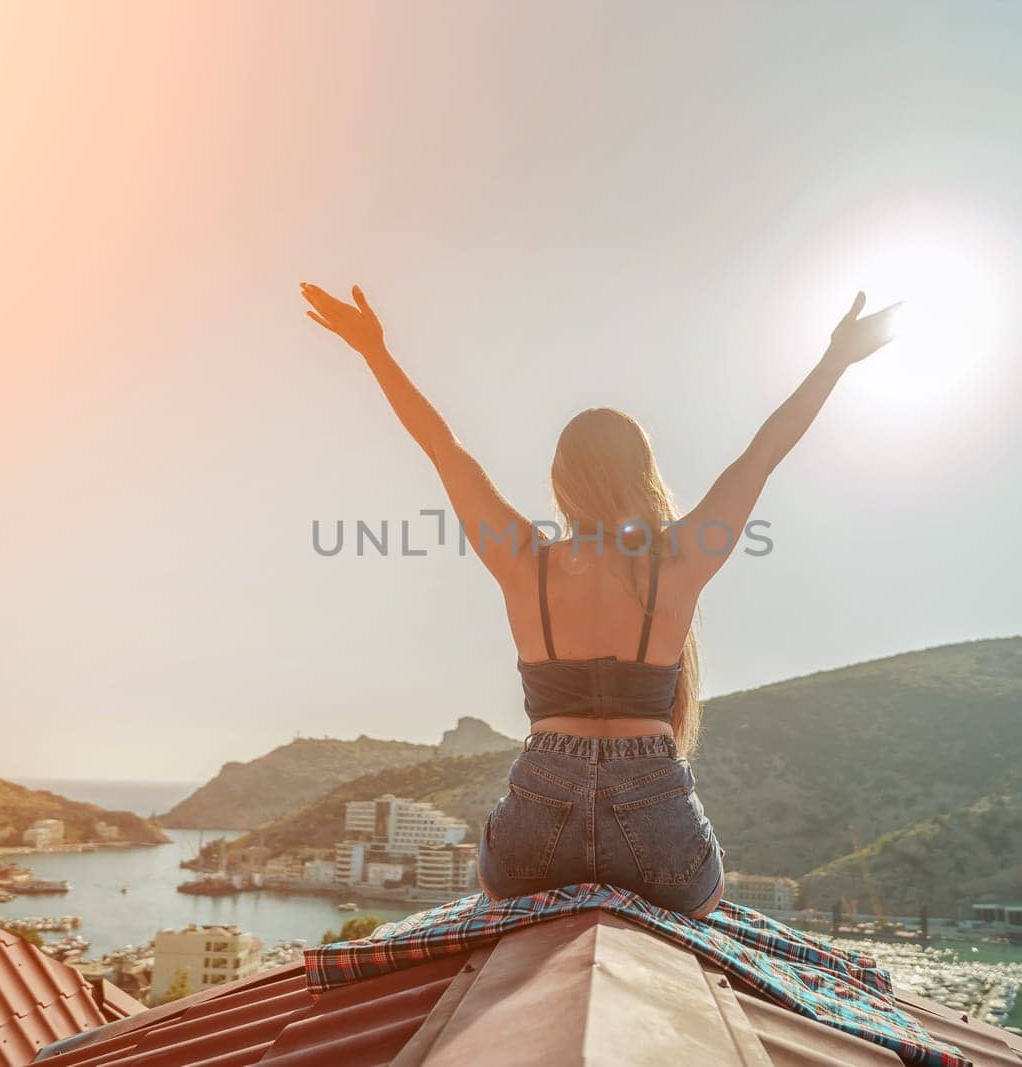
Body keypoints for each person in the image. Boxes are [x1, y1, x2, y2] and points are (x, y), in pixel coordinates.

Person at [301, 280, 899, 917]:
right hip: (658, 832)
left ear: (560, 479)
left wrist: (375, 352)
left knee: (503, 877)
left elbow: (444, 451)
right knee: (708, 897)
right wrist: (834, 360)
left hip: (536, 829)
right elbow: (764, 452)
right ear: (643, 473)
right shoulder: (679, 558)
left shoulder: (524, 561)